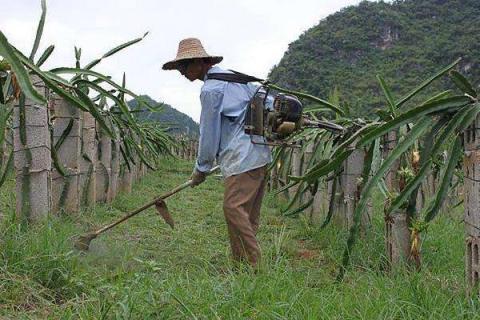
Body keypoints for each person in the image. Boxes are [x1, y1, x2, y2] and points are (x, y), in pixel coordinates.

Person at [162, 38, 272, 267]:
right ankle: (240, 265)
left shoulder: (211, 90)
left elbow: (209, 133)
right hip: (260, 155)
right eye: (179, 67)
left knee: (233, 208)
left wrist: (201, 169)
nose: (182, 72)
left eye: (185, 65)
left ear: (201, 62)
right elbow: (267, 100)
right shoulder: (234, 78)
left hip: (242, 158)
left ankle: (254, 266)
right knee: (247, 216)